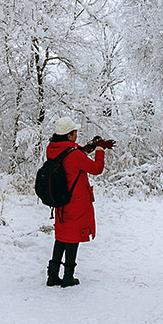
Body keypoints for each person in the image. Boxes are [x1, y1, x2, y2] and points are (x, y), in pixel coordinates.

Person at [45, 116, 111, 288]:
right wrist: (99, 149)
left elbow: (71, 156)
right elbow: (97, 169)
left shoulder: (53, 150)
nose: (76, 134)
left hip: (61, 201)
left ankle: (52, 276)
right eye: (74, 132)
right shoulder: (73, 154)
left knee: (61, 237)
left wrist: (86, 148)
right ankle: (68, 277)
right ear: (69, 135)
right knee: (73, 238)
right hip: (76, 202)